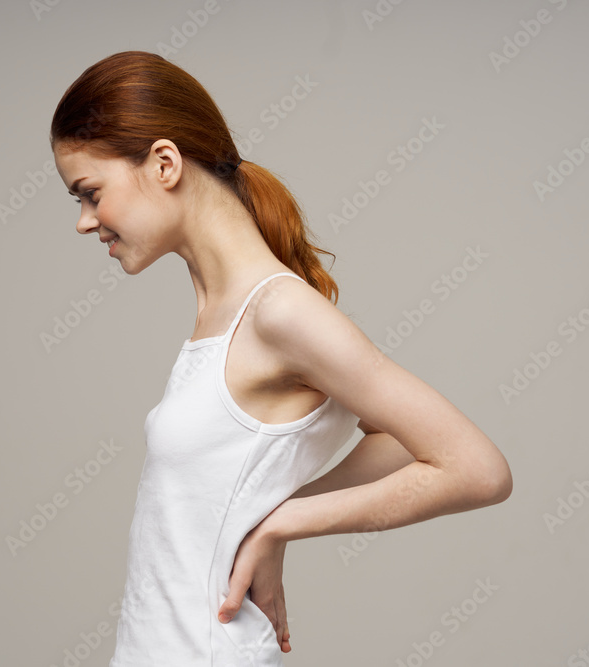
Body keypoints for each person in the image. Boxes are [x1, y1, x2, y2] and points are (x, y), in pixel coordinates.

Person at [50, 50, 512, 667]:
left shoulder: (278, 313)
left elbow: (477, 470)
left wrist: (282, 522)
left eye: (90, 194)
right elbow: (397, 440)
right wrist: (271, 511)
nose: (84, 223)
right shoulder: (225, 311)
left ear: (164, 163)